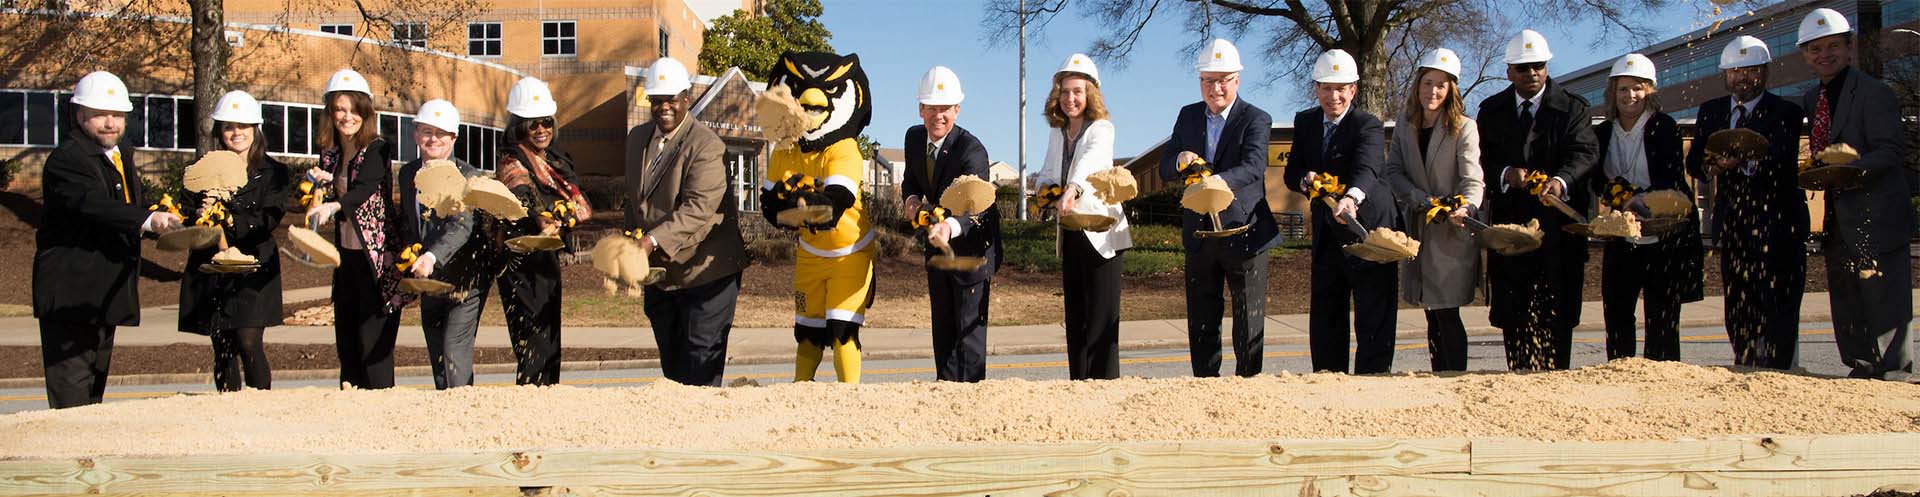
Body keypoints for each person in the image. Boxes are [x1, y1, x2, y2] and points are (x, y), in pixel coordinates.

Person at [34, 71, 185, 408]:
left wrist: (161, 219)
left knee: (93, 395)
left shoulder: (119, 155)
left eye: (116, 115)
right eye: (100, 114)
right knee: (72, 397)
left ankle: (89, 459)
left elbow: (120, 210)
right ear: (80, 115)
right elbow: (92, 204)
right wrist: (147, 219)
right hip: (71, 296)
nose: (109, 123)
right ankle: (69, 460)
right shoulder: (68, 160)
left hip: (101, 296)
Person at [1794, 8, 1913, 380]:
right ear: (1805, 55)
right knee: (1846, 301)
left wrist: (1847, 168)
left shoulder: (1874, 92)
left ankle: (1894, 376)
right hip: (1838, 219)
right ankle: (1860, 370)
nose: (1823, 55)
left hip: (1876, 216)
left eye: (1832, 46)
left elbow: (1891, 151)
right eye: (1814, 49)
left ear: (1849, 48)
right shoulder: (1814, 98)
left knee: (1884, 302)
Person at [1475, 30, 1599, 371]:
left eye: (1539, 66)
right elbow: (1480, 160)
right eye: (1523, 67)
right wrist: (1506, 175)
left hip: (1558, 233)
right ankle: (1519, 377)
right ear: (1509, 71)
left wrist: (1560, 181)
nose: (1532, 73)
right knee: (1514, 314)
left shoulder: (1572, 108)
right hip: (1511, 232)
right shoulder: (1491, 111)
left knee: (1556, 316)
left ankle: (1556, 380)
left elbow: (1585, 153)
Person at [623, 57, 750, 387]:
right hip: (663, 277)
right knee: (674, 373)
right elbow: (635, 201)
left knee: (700, 370)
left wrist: (650, 241)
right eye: (656, 100)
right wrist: (628, 244)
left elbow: (698, 208)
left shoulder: (706, 145)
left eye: (670, 100)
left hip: (707, 275)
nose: (663, 107)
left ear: (686, 98)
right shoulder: (637, 139)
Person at [1158, 39, 1281, 378]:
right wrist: (1180, 160)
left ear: (1237, 81)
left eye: (1223, 79)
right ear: (1200, 83)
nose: (1216, 88)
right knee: (1201, 320)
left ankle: (1248, 388)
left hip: (1245, 232)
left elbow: (1254, 167)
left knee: (1248, 321)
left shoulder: (1256, 118)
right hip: (1200, 235)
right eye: (1208, 80)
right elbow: (1164, 168)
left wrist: (1213, 182)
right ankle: (1205, 385)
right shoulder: (1188, 116)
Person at [1684, 35, 1806, 370]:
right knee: (1738, 303)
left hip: (1779, 226)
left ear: (1766, 72)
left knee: (1778, 305)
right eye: (1736, 71)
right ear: (1725, 75)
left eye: (1752, 69)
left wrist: (1742, 161)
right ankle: (1745, 363)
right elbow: (1694, 162)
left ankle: (1780, 372)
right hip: (1734, 225)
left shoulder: (1787, 111)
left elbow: (1781, 160)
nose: (1743, 77)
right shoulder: (1711, 112)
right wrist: (1711, 166)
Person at [758, 51, 876, 384]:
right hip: (810, 254)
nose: (811, 100)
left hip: (849, 254)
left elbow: (836, 201)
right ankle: (800, 394)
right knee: (807, 333)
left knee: (841, 330)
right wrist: (785, 206)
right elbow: (769, 206)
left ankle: (848, 402)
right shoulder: (785, 150)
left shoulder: (844, 148)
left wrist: (804, 200)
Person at [1283, 49, 1395, 375]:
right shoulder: (1305, 122)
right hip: (1328, 233)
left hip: (1368, 230)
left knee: (1373, 315)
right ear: (1316, 88)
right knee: (1327, 314)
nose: (1334, 96)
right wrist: (1306, 179)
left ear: (1354, 90)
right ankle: (1328, 381)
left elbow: (1368, 168)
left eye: (1342, 88)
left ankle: (1372, 383)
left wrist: (1352, 198)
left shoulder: (1367, 125)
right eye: (1327, 88)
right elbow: (1292, 172)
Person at [1591, 54, 1704, 362]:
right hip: (1621, 237)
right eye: (1623, 89)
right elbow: (1597, 180)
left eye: (1638, 88)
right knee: (1617, 315)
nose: (1630, 96)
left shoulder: (1663, 127)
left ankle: (1663, 378)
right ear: (1613, 93)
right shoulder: (1602, 133)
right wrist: (1618, 197)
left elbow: (1670, 178)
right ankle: (1619, 371)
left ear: (1650, 91)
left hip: (1661, 236)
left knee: (1663, 319)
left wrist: (1637, 199)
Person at [1379, 48, 1484, 372]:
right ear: (1418, 86)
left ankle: (1455, 376)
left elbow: (1473, 179)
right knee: (1430, 310)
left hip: (1451, 234)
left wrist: (1465, 207)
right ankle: (1439, 372)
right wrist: (1420, 198)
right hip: (1420, 228)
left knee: (1447, 311)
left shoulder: (1463, 128)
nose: (1433, 91)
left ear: (1451, 88)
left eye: (1441, 84)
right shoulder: (1406, 127)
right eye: (1427, 83)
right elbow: (1393, 171)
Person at [178, 90, 290, 391]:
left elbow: (270, 217)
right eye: (228, 126)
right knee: (223, 346)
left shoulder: (275, 172)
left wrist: (230, 218)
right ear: (219, 131)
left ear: (256, 129)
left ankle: (260, 404)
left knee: (248, 340)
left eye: (243, 126)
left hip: (254, 267)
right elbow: (186, 214)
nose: (236, 132)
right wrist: (198, 214)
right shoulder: (201, 169)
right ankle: (228, 408)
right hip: (213, 269)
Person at [305, 68, 403, 389]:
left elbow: (364, 189)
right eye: (339, 110)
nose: (347, 117)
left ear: (365, 111)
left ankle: (380, 409)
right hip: (345, 260)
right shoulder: (331, 153)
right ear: (330, 113)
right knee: (347, 346)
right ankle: (350, 410)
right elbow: (327, 188)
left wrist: (335, 204)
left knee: (372, 346)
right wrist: (319, 185)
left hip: (375, 262)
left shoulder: (377, 148)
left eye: (353, 109)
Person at [902, 66, 1000, 383]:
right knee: (943, 329)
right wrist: (911, 200)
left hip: (972, 249)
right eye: (931, 107)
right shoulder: (914, 139)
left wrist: (949, 227)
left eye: (945, 108)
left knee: (967, 335)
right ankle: (945, 395)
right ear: (921, 109)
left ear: (957, 109)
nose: (938, 115)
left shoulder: (972, 151)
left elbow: (978, 208)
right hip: (937, 250)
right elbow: (911, 181)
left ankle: (971, 401)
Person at [1035, 54, 1129, 380]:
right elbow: (1047, 172)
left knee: (1101, 321)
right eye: (1064, 92)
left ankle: (1106, 387)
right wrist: (1044, 189)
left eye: (1077, 91)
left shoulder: (1102, 129)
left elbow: (1092, 162)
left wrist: (1072, 189)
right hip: (1072, 232)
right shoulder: (1057, 133)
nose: (1070, 99)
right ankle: (1078, 384)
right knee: (1076, 318)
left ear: (1090, 94)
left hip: (1102, 236)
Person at [495, 76, 592, 386]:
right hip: (522, 265)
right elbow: (519, 189)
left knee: (550, 338)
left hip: (548, 260)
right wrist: (539, 217)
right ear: (518, 126)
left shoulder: (556, 160)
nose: (541, 130)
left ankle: (548, 397)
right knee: (533, 343)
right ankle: (530, 400)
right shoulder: (513, 159)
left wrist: (563, 219)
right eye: (532, 124)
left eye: (546, 123)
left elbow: (579, 202)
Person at [396, 99, 492, 389]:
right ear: (415, 135)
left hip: (466, 280)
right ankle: (445, 415)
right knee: (437, 353)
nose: (433, 139)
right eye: (426, 131)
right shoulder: (407, 174)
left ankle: (462, 413)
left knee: (454, 350)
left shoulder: (469, 177)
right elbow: (409, 222)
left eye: (441, 133)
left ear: (454, 138)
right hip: (429, 281)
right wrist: (410, 251)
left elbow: (461, 225)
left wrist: (431, 256)